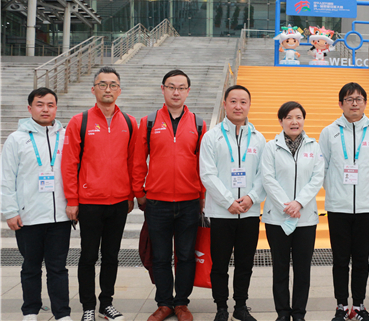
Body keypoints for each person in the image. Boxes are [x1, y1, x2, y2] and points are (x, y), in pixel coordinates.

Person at [62, 67, 138, 321]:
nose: (108, 89)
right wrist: (72, 200)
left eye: (113, 85)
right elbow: (70, 164)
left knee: (111, 256)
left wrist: (131, 194)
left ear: (119, 90)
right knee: (88, 256)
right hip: (90, 202)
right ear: (93, 89)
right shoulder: (79, 121)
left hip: (118, 202)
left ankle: (106, 303)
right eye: (102, 84)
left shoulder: (130, 123)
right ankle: (87, 307)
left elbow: (133, 161)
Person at [132, 70, 207, 321]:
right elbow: (138, 160)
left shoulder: (198, 123)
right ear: (162, 89)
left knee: (185, 255)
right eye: (171, 87)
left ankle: (182, 303)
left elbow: (203, 164)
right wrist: (139, 192)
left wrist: (202, 196)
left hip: (188, 202)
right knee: (160, 256)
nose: (176, 92)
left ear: (188, 91)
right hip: (157, 202)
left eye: (181, 88)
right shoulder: (149, 121)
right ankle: (164, 303)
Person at [1, 88, 72, 321]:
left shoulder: (66, 136)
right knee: (30, 267)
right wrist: (10, 211)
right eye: (40, 104)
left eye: (50, 105)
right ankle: (30, 310)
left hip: (60, 217)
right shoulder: (16, 139)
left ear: (56, 108)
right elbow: (6, 178)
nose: (45, 109)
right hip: (28, 217)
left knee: (58, 268)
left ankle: (62, 313)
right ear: (29, 108)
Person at [319, 82, 369, 321]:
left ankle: (358, 306)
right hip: (338, 207)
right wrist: (337, 191)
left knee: (361, 260)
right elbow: (323, 168)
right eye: (349, 99)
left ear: (365, 103)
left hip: (367, 207)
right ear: (341, 104)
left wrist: (366, 190)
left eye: (358, 99)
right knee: (339, 260)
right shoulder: (329, 132)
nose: (354, 103)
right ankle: (340, 306)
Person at [200, 85, 266, 321]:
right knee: (219, 264)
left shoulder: (259, 138)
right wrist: (228, 201)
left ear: (249, 105)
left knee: (245, 264)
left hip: (249, 212)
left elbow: (264, 174)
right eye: (233, 101)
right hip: (221, 213)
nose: (238, 106)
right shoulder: (212, 137)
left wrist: (251, 197)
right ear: (225, 104)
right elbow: (207, 174)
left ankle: (240, 306)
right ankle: (221, 307)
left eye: (243, 102)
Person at [261, 102, 324, 321]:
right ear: (281, 121)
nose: (294, 122)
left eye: (298, 117)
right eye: (288, 117)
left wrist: (299, 203)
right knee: (280, 268)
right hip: (277, 218)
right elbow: (268, 178)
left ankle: (298, 313)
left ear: (304, 120)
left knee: (302, 269)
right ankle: (282, 312)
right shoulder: (271, 147)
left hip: (305, 218)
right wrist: (286, 205)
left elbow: (317, 178)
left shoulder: (314, 147)